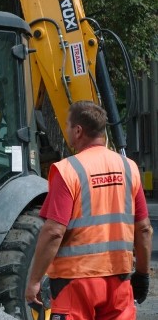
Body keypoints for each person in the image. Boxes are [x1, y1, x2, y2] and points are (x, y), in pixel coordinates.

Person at [25, 101, 153, 319]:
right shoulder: (129, 168)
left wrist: (34, 280)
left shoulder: (68, 170)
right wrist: (142, 274)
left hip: (75, 283)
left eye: (67, 125)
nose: (67, 131)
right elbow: (144, 229)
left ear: (78, 130)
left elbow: (54, 231)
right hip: (118, 281)